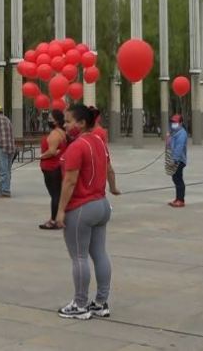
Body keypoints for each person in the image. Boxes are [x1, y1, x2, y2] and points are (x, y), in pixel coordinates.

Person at [55, 104, 120, 320]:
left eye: (68, 121)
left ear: (81, 123)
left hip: (82, 208)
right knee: (99, 253)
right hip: (101, 205)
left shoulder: (77, 147)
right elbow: (109, 168)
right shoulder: (99, 142)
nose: (65, 125)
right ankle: (100, 302)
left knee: (79, 257)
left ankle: (80, 304)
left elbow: (70, 181)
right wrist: (113, 187)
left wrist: (61, 211)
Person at [38, 110, 68, 230]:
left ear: (57, 120)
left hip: (51, 168)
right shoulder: (62, 133)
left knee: (55, 195)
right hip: (56, 167)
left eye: (51, 118)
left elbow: (51, 151)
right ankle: (59, 217)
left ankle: (53, 220)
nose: (49, 120)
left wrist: (40, 156)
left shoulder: (55, 134)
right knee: (57, 194)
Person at [167, 114, 188, 208]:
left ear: (181, 123)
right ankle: (177, 198)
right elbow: (171, 145)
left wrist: (174, 160)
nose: (173, 124)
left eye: (175, 122)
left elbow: (179, 148)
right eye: (172, 122)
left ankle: (180, 200)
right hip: (174, 158)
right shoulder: (174, 132)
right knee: (175, 178)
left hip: (179, 160)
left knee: (178, 179)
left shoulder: (182, 133)